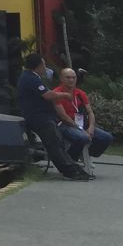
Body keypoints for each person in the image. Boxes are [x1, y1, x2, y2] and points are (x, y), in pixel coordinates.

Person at [17, 52, 89, 180]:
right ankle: (70, 170)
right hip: (39, 118)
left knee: (57, 142)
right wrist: (65, 95)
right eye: (44, 65)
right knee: (54, 144)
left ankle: (72, 167)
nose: (45, 68)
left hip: (44, 117)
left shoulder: (32, 77)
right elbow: (48, 95)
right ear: (38, 66)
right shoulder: (31, 78)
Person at [56, 67, 113, 164]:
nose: (71, 80)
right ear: (61, 79)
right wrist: (80, 129)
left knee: (107, 138)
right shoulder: (56, 93)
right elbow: (63, 116)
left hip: (82, 123)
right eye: (68, 77)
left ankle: (84, 154)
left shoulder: (80, 94)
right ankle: (69, 160)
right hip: (66, 124)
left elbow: (90, 112)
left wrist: (91, 127)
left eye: (73, 78)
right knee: (83, 137)